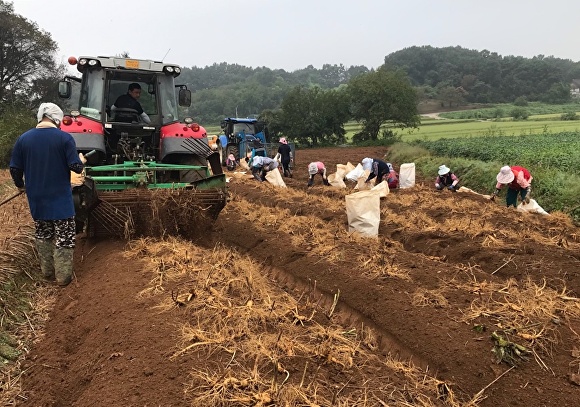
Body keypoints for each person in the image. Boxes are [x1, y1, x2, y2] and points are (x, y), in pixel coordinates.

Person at [9, 103, 86, 286]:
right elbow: (75, 167)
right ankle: (63, 278)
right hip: (60, 198)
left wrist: (21, 186)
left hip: (37, 198)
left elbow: (14, 168)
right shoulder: (64, 138)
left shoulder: (23, 139)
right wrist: (81, 160)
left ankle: (47, 272)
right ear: (57, 118)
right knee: (64, 236)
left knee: (43, 233)